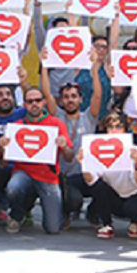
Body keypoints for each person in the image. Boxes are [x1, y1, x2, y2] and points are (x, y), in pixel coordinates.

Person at [40, 47, 102, 228]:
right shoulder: (57, 116)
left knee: (104, 185)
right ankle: (67, 212)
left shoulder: (89, 117)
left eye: (74, 97)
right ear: (61, 101)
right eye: (66, 97)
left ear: (80, 100)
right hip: (64, 176)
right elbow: (47, 94)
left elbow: (98, 95)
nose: (70, 100)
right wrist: (44, 66)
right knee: (73, 199)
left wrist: (95, 69)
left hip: (86, 174)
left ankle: (94, 213)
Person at [0, 87, 73, 234]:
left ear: (44, 102)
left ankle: (34, 205)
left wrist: (64, 146)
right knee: (13, 188)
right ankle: (17, 214)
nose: (34, 104)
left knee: (53, 229)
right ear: (25, 104)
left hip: (48, 177)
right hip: (23, 173)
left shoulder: (56, 124)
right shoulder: (17, 127)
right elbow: (3, 164)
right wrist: (2, 149)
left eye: (38, 100)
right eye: (30, 101)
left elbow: (69, 157)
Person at [80, 112, 137, 238]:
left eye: (118, 127)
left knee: (133, 206)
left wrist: (135, 164)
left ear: (125, 129)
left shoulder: (134, 149)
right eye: (110, 127)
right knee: (99, 187)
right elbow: (91, 181)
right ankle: (107, 224)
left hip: (133, 196)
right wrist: (83, 163)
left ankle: (136, 221)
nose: (114, 131)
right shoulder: (99, 151)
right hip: (114, 197)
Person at [76, 35, 111, 120]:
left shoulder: (108, 69)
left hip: (101, 118)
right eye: (98, 46)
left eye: (104, 47)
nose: (101, 50)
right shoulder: (79, 67)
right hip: (80, 117)